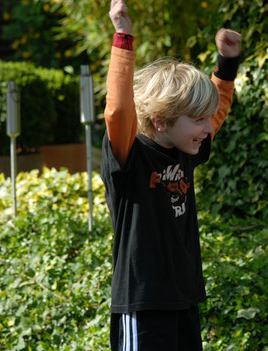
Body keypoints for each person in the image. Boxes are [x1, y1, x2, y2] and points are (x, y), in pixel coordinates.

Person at [101, 1, 241, 349]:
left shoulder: (185, 150)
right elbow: (118, 111)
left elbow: (217, 110)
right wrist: (122, 37)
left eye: (206, 119)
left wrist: (226, 64)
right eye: (198, 120)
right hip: (143, 304)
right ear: (161, 120)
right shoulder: (129, 157)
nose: (208, 128)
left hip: (184, 298)